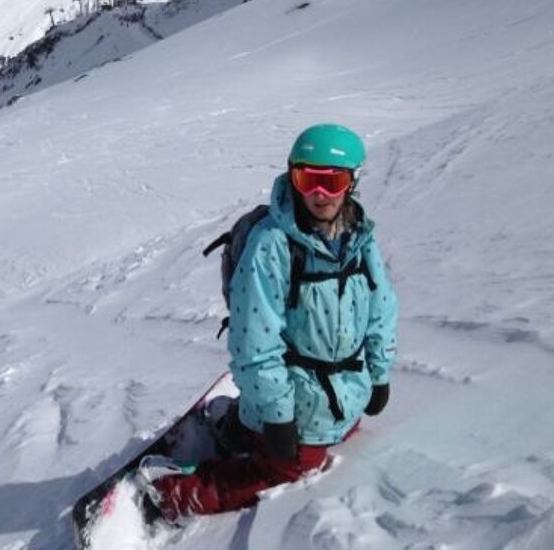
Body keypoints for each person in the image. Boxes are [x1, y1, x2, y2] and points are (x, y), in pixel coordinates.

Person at [147, 123, 398, 520]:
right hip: (294, 402)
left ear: (353, 183)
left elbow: (381, 308)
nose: (320, 193)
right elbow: (254, 344)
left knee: (344, 433)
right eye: (308, 179)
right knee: (287, 471)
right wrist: (279, 417)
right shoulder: (272, 246)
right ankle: (169, 497)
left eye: (333, 181)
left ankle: (238, 426)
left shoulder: (358, 240)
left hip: (342, 393)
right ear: (292, 176)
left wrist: (379, 373)